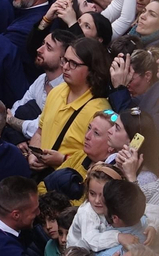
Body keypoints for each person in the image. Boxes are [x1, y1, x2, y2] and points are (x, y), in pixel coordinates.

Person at [27, 34, 111, 177]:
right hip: (40, 177)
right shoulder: (57, 91)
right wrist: (33, 154)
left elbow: (99, 161)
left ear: (92, 69)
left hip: (66, 182)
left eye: (73, 64)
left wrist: (62, 159)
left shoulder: (99, 112)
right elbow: (40, 132)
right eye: (65, 60)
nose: (65, 67)